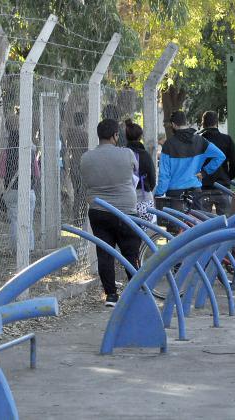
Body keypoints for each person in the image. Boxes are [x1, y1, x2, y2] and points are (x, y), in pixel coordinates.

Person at [80, 119, 141, 307]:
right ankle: (135, 291)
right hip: (126, 211)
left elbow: (86, 180)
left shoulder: (86, 158)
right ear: (116, 135)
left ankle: (111, 295)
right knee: (131, 252)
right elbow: (135, 171)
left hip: (99, 211)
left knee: (105, 253)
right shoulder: (127, 154)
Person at [153, 110, 226, 210]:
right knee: (197, 224)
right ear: (186, 123)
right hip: (195, 193)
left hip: (175, 195)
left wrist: (159, 193)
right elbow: (220, 156)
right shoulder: (200, 141)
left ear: (173, 125)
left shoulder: (168, 145)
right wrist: (204, 172)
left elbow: (164, 175)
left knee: (176, 224)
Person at [2, 120, 39, 250]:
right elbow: (36, 173)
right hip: (29, 190)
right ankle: (29, 247)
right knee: (28, 220)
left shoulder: (7, 152)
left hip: (12, 190)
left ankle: (15, 248)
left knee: (15, 220)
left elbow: (1, 173)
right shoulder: (31, 153)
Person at [198, 111, 235, 215]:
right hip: (223, 187)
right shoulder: (227, 139)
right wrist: (228, 177)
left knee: (202, 225)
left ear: (203, 123)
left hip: (203, 187)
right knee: (226, 225)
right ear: (217, 123)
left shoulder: (198, 140)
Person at [124, 119, 157, 222]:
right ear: (140, 137)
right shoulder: (145, 155)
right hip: (143, 196)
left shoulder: (122, 154)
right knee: (143, 230)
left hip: (126, 197)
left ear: (126, 136)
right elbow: (152, 178)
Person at [63, 112, 89, 223]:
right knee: (83, 193)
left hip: (72, 165)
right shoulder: (84, 134)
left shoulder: (70, 132)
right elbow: (87, 150)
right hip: (82, 167)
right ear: (83, 121)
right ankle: (82, 217)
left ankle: (76, 217)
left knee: (76, 191)